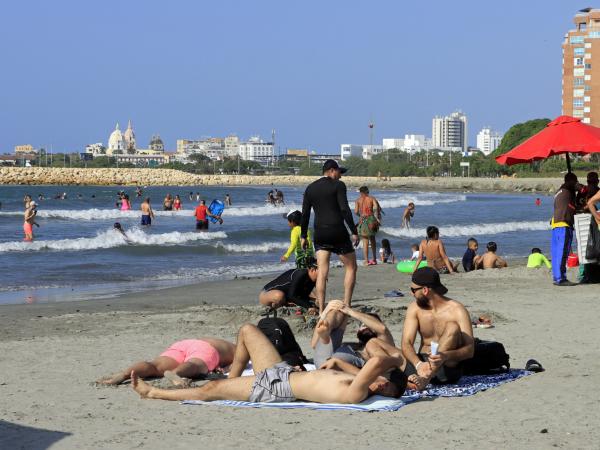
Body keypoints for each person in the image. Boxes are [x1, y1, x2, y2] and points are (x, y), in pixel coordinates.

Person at [131, 323, 408, 404]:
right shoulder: (361, 381)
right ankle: (233, 380)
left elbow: (377, 363)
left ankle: (153, 393)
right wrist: (336, 361)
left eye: (384, 385)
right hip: (282, 373)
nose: (380, 384)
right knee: (248, 330)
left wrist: (399, 360)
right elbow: (358, 368)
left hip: (277, 387)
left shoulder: (358, 392)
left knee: (209, 390)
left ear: (383, 382)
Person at [401, 267, 474, 390]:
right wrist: (418, 364)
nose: (411, 293)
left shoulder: (457, 310)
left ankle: (425, 379)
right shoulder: (414, 309)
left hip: (446, 368)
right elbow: (406, 343)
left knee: (452, 327)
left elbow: (470, 350)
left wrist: (445, 355)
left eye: (413, 290)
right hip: (422, 365)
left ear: (424, 290)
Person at [300, 159, 359, 313]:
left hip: (320, 232)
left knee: (322, 271)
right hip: (337, 230)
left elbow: (305, 214)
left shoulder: (310, 188)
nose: (341, 176)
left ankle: (321, 309)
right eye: (340, 172)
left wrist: (303, 236)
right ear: (332, 170)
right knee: (351, 267)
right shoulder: (338, 186)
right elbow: (345, 210)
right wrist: (354, 231)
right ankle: (346, 305)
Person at [97, 338, 236, 387]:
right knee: (195, 364)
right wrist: (228, 367)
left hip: (184, 344)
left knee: (154, 366)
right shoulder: (239, 348)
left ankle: (125, 373)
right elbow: (240, 361)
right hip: (206, 349)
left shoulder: (228, 343)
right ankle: (175, 373)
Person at [312, 299, 396, 370]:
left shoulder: (384, 343)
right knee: (338, 312)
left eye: (367, 324)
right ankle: (327, 328)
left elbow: (382, 329)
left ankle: (326, 332)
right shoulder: (351, 345)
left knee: (343, 311)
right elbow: (314, 344)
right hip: (323, 361)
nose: (364, 325)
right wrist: (326, 311)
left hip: (332, 372)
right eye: (362, 324)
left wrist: (349, 311)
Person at [551, 173, 578, 286]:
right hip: (563, 223)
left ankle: (557, 277)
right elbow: (582, 188)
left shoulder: (559, 191)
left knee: (556, 253)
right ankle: (561, 278)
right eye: (575, 181)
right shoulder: (568, 187)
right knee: (563, 252)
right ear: (571, 181)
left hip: (555, 224)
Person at [355, 186, 381, 266]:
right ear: (367, 191)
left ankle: (366, 261)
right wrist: (377, 218)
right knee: (373, 239)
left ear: (360, 192)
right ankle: (374, 259)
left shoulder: (358, 200)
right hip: (371, 219)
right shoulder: (371, 198)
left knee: (365, 241)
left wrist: (361, 215)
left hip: (363, 220)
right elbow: (376, 208)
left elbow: (356, 212)